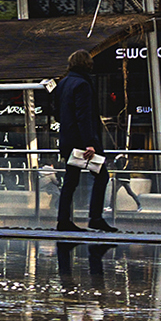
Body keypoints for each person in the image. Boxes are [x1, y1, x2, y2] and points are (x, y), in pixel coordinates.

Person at [52, 49, 115, 233]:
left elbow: (57, 114)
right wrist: (90, 143)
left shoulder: (62, 84)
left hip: (67, 140)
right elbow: (84, 116)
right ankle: (95, 217)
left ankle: (63, 220)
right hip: (82, 143)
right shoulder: (83, 85)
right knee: (101, 176)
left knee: (70, 180)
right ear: (87, 64)